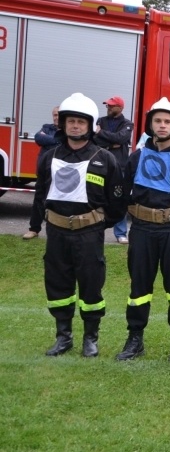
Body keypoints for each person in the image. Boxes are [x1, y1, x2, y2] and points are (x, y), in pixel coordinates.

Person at [33, 93, 125, 357]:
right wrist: (38, 224)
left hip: (89, 234)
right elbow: (41, 194)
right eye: (70, 121)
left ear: (90, 125)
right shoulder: (49, 157)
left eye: (80, 122)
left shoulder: (105, 158)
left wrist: (98, 223)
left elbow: (117, 199)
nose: (75, 126)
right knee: (58, 285)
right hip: (57, 234)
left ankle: (90, 338)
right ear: (63, 124)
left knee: (91, 285)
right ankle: (63, 336)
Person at [115, 98, 170, 363]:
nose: (162, 126)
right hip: (142, 230)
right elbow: (123, 193)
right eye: (158, 121)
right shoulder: (136, 158)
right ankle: (135, 339)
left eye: (167, 121)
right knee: (139, 287)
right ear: (150, 124)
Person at [94, 95, 134, 244]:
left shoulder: (127, 123)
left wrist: (102, 135)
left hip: (120, 166)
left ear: (120, 107)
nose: (108, 107)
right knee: (97, 196)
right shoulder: (100, 121)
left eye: (111, 105)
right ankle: (96, 228)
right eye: (107, 105)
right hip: (101, 164)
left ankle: (121, 233)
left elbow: (121, 138)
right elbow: (94, 139)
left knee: (119, 198)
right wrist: (111, 143)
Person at [23, 106, 61, 240]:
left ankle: (55, 232)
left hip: (59, 173)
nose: (56, 117)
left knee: (57, 202)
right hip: (44, 171)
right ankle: (34, 229)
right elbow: (39, 138)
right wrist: (57, 140)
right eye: (54, 115)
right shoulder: (46, 127)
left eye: (58, 114)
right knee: (38, 200)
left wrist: (49, 139)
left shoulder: (66, 132)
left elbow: (61, 143)